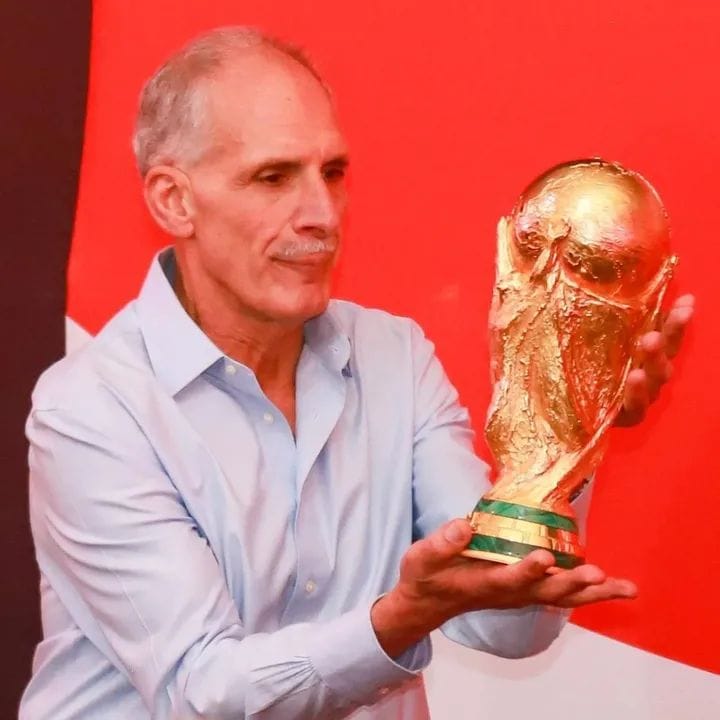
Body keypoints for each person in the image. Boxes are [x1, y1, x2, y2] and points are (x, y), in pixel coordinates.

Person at [19, 26, 694, 720]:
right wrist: (398, 619)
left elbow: (503, 626)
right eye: (274, 178)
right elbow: (205, 692)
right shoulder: (91, 410)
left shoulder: (395, 357)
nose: (321, 214)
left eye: (333, 173)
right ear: (173, 200)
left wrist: (567, 434)